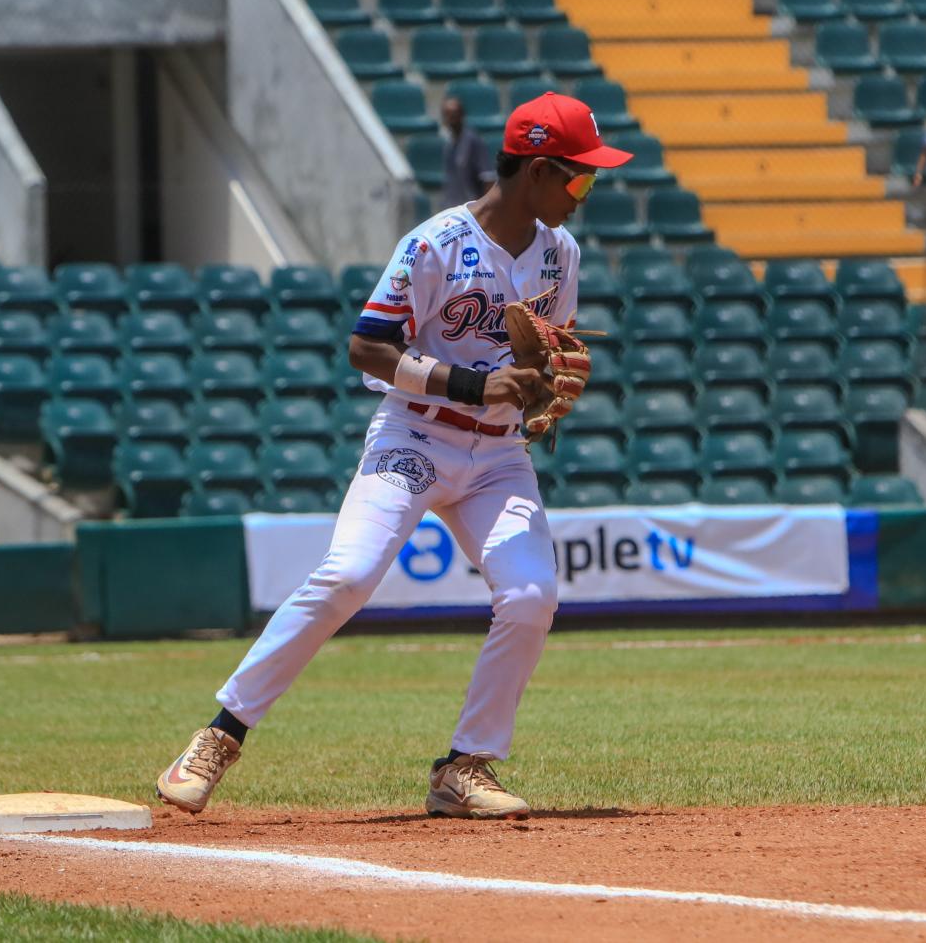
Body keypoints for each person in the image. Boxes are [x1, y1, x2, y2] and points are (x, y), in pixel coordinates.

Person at [156, 93, 630, 821]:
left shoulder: (559, 255)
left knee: (532, 595)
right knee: (347, 574)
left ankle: (464, 765)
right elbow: (368, 346)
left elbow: (540, 369)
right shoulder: (436, 244)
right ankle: (219, 735)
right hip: (415, 434)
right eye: (581, 178)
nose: (586, 193)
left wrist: (542, 399)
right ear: (537, 170)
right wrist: (475, 381)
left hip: (499, 454)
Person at [439, 96, 497, 210]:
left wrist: (483, 209)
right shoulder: (448, 143)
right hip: (453, 208)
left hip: (470, 209)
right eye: (448, 114)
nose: (451, 117)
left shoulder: (473, 141)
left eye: (455, 113)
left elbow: (488, 178)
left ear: (462, 114)